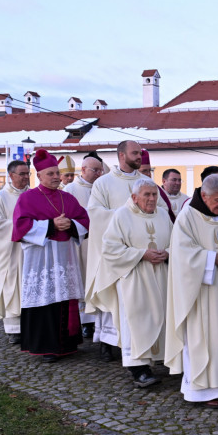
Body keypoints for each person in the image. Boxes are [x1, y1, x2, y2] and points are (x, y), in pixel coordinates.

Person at [165, 174, 218, 407]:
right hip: (202, 291)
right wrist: (212, 259)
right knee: (206, 340)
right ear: (204, 196)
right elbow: (182, 253)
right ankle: (204, 392)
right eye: (217, 200)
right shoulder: (187, 217)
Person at [92, 178, 172, 388]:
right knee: (136, 322)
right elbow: (110, 248)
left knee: (161, 318)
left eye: (154, 194)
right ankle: (138, 368)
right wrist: (142, 254)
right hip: (134, 278)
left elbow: (177, 243)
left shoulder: (163, 215)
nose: (152, 199)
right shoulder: (122, 215)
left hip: (161, 276)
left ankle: (160, 359)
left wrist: (168, 253)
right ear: (134, 197)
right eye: (147, 195)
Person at [11, 150, 89, 363]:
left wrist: (71, 224)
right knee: (45, 298)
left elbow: (84, 220)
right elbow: (20, 227)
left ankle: (68, 344)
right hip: (41, 259)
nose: (56, 177)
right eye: (50, 174)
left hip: (65, 257)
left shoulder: (68, 198)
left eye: (57, 173)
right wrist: (50, 225)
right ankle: (47, 347)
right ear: (39, 176)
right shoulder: (27, 198)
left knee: (65, 298)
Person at [85, 141, 146, 361]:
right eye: (135, 153)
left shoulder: (146, 182)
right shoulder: (103, 183)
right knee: (112, 294)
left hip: (139, 251)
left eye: (140, 153)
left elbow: (158, 211)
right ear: (121, 155)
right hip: (114, 251)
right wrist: (126, 215)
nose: (139, 156)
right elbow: (95, 213)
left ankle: (139, 343)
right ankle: (107, 342)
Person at [0, 160, 30, 344]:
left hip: (31, 251)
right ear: (11, 175)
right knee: (11, 286)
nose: (26, 177)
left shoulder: (33, 196)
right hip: (10, 252)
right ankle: (14, 329)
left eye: (27, 173)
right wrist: (23, 227)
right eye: (22, 174)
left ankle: (31, 326)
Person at [65, 153, 104, 339]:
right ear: (83, 170)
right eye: (95, 170)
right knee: (82, 279)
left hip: (100, 243)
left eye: (100, 170)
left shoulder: (102, 188)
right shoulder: (70, 190)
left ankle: (98, 320)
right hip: (80, 243)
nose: (98, 174)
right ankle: (85, 322)